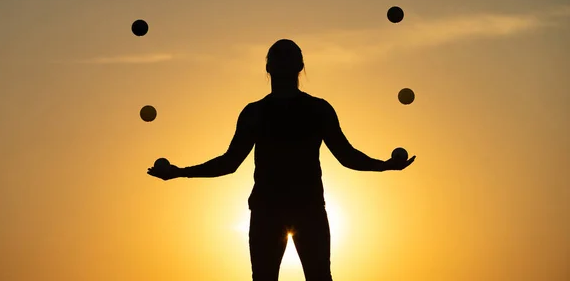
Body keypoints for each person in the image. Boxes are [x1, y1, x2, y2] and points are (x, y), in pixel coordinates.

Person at [147, 39, 416, 281]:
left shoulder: (313, 109)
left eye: (288, 57)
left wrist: (384, 165)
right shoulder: (260, 113)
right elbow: (229, 163)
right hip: (272, 211)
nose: (284, 62)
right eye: (280, 57)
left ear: (296, 66)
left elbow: (346, 156)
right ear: (271, 67)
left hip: (303, 210)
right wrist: (179, 172)